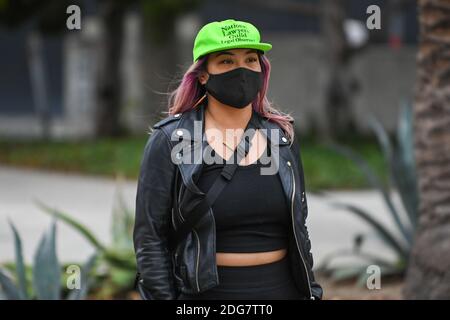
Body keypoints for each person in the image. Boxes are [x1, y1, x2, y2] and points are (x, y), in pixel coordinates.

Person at [133, 19, 323, 300]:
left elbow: (299, 226)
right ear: (203, 75)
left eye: (250, 59)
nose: (242, 71)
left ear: (262, 68)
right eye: (226, 62)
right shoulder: (172, 140)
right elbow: (150, 239)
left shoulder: (282, 139)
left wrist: (313, 292)